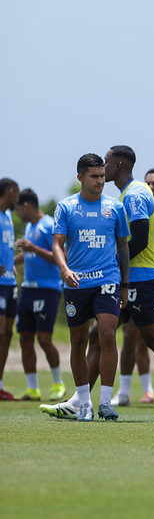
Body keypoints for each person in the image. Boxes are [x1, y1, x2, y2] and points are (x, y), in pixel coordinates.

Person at [51, 154, 130, 421]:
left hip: (107, 280)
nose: (100, 181)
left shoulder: (115, 208)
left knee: (107, 334)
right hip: (76, 283)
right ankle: (83, 402)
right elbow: (57, 245)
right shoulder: (65, 207)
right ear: (80, 177)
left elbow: (123, 247)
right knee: (78, 341)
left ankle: (106, 402)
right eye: (94, 176)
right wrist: (65, 269)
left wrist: (125, 285)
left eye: (102, 176)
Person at [112, 167, 154, 407]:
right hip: (139, 277)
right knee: (131, 336)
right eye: (149, 183)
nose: (152, 186)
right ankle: (130, 391)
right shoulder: (135, 205)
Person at [13, 188, 66, 401]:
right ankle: (32, 388)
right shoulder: (28, 226)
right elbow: (27, 253)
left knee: (44, 339)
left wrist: (34, 248)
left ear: (26, 205)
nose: (16, 214)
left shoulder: (48, 225)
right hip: (28, 289)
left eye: (17, 209)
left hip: (48, 289)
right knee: (25, 338)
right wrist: (9, 263)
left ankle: (57, 384)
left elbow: (59, 256)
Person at [0, 178, 20, 400]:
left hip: (9, 283)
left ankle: (0, 384)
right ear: (11, 191)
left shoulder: (8, 217)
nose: (19, 198)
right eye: (18, 193)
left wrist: (11, 264)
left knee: (6, 334)